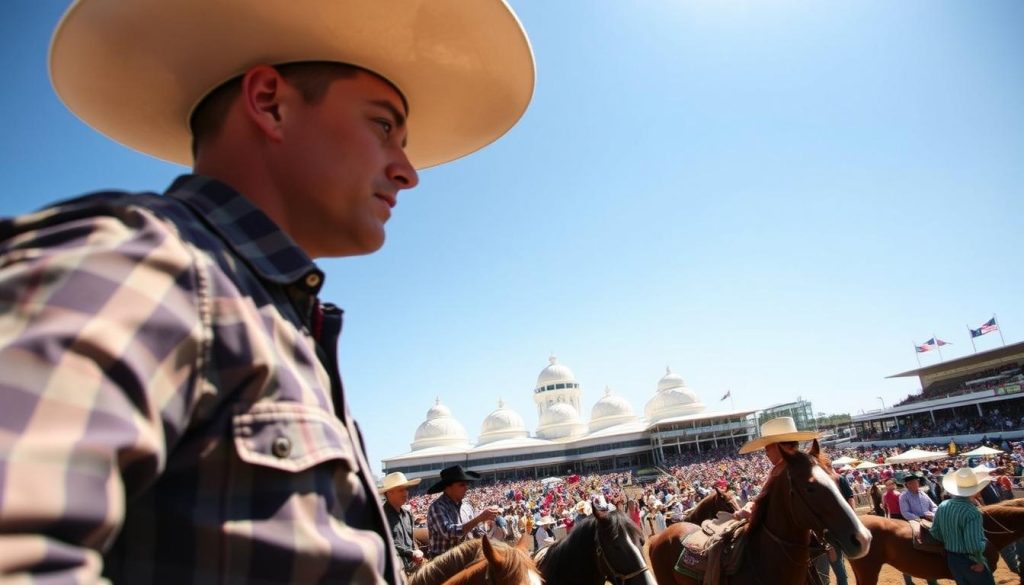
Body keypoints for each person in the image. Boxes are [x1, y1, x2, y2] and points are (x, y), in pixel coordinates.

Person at [0, 1, 534, 583]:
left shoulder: (271, 320)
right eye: (383, 125)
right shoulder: (146, 265)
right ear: (269, 104)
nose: (408, 170)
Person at [930, 468, 997, 585]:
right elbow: (973, 544)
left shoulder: (943, 505)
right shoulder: (972, 512)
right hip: (970, 560)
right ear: (975, 491)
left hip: (951, 558)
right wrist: (980, 561)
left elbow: (935, 531)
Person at [426, 465, 500, 557]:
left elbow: (476, 531)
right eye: (461, 485)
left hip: (466, 557)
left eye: (466, 484)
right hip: (444, 562)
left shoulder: (467, 505)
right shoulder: (437, 507)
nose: (466, 487)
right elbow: (448, 533)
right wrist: (479, 519)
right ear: (448, 487)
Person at [380, 472, 425, 576]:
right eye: (401, 490)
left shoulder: (407, 514)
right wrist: (411, 553)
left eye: (406, 489)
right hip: (395, 572)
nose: (406, 493)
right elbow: (388, 544)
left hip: (412, 567)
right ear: (389, 492)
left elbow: (411, 540)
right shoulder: (382, 516)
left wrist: (416, 553)